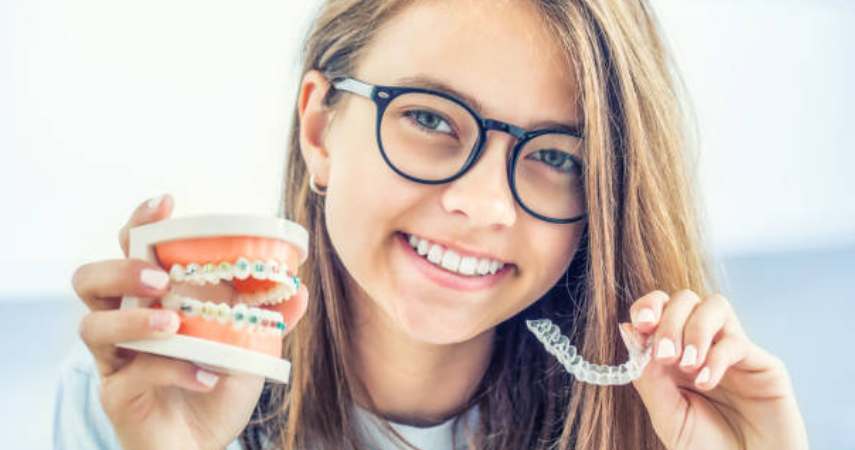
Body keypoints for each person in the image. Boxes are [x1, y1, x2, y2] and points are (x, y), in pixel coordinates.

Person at [57, 0, 809, 449]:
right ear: (320, 129)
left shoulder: (655, 424)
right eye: (426, 118)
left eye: (558, 156)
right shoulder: (129, 394)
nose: (483, 205)